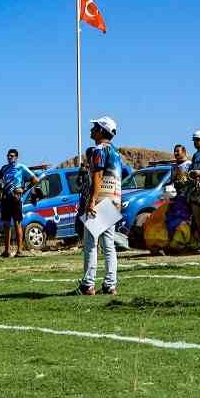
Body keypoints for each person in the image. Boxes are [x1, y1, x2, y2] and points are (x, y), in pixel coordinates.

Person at [76, 115, 130, 295]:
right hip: (114, 201)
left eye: (95, 127)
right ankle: (110, 284)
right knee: (108, 245)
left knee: (91, 244)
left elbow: (97, 176)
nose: (91, 130)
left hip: (100, 201)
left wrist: (92, 200)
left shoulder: (99, 150)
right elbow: (126, 173)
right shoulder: (116, 153)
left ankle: (88, 284)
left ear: (101, 131)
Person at [0, 148, 41, 258]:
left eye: (12, 156)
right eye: (8, 156)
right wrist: (2, 189)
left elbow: (35, 180)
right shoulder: (4, 168)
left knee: (17, 223)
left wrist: (24, 189)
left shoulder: (21, 167)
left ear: (16, 157)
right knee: (6, 224)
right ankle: (7, 251)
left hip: (16, 198)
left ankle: (19, 251)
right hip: (6, 198)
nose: (9, 158)